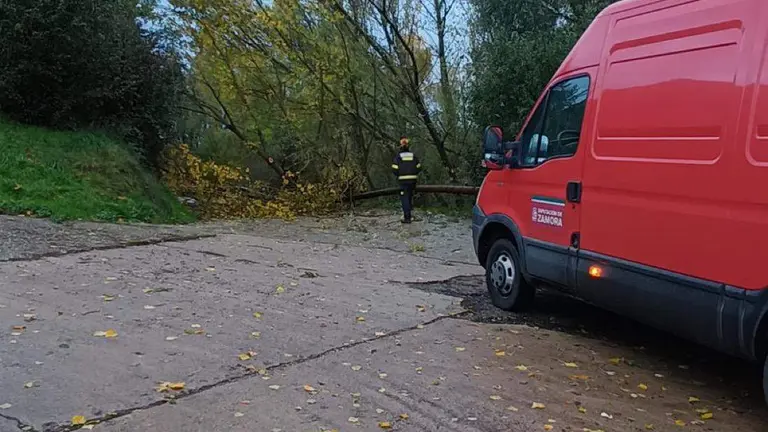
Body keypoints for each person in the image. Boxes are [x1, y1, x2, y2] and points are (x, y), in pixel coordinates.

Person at [391, 136, 421, 223]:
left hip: (403, 181)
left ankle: (407, 218)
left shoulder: (398, 157)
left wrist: (399, 174)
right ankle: (410, 214)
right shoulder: (413, 156)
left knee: (404, 198)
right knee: (409, 197)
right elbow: (419, 167)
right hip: (413, 180)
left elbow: (394, 169)